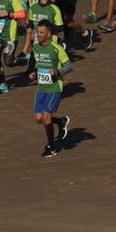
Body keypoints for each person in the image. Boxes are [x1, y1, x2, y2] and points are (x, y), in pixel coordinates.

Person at [27, 20, 72, 158]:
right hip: (41, 86)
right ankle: (60, 122)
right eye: (37, 32)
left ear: (48, 34)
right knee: (38, 118)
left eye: (41, 32)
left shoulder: (57, 48)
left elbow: (69, 66)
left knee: (46, 118)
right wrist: (33, 72)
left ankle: (52, 148)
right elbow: (36, 63)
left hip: (54, 87)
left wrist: (57, 73)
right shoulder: (36, 47)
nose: (38, 35)